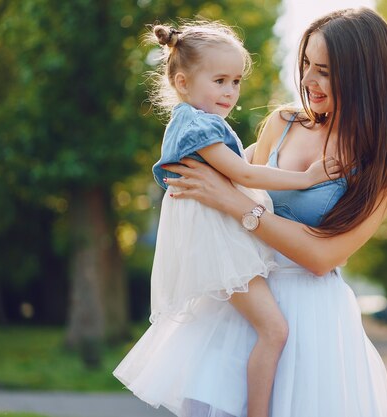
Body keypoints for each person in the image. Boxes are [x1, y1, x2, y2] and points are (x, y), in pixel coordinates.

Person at [113, 21, 339, 417]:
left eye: (235, 82)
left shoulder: (199, 124)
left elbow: (247, 161)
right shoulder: (197, 124)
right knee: (274, 330)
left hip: (219, 241)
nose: (230, 93)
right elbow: (246, 173)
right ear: (182, 82)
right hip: (218, 247)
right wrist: (307, 177)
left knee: (260, 332)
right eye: (219, 81)